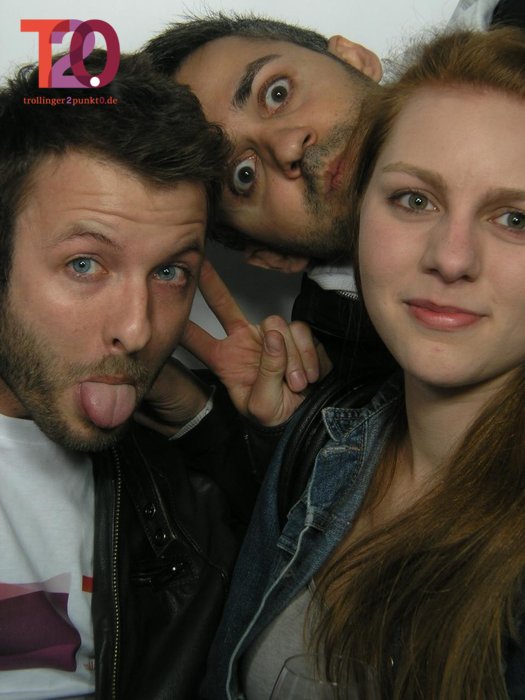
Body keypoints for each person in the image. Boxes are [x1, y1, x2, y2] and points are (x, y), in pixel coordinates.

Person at [200, 26, 525, 700]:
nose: (451, 258)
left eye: (514, 219)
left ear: (352, 56)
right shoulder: (324, 445)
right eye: (413, 200)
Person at [0, 48, 274, 699]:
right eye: (85, 264)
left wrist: (228, 429)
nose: (139, 328)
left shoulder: (183, 506)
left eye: (170, 271)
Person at [144, 0, 521, 375]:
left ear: (355, 58)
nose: (287, 147)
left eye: (277, 93)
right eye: (244, 175)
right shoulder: (345, 365)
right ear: (277, 258)